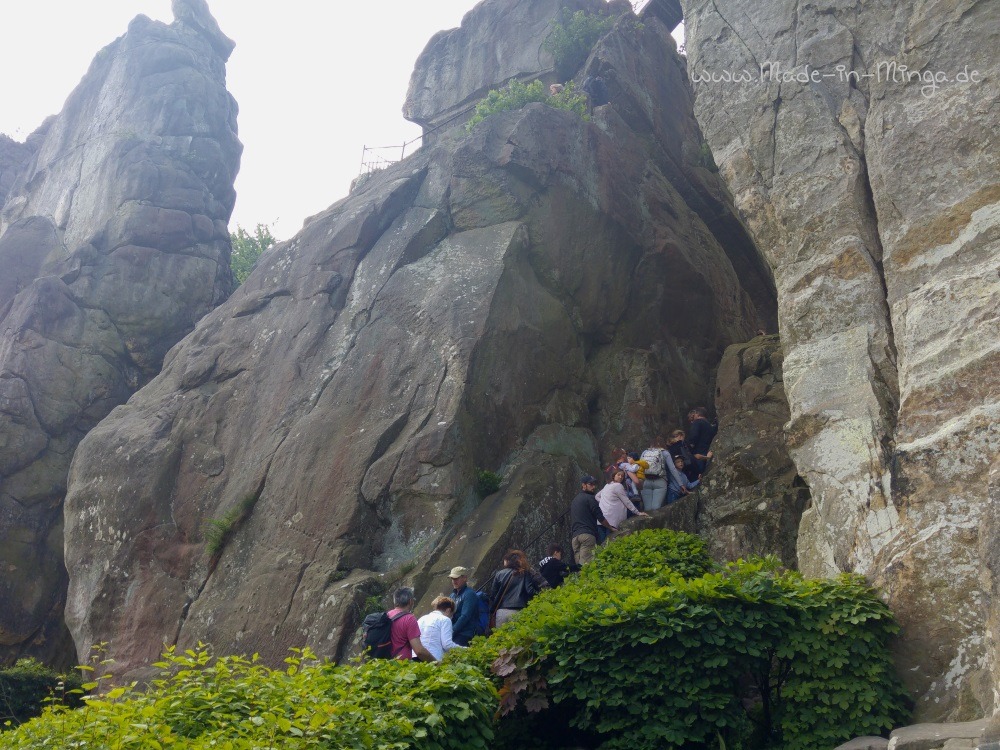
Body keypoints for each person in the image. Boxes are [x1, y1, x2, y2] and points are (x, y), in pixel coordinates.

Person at [489, 550, 549, 628]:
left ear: (508, 561)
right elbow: (530, 590)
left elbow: (493, 595)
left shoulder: (499, 574)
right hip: (518, 610)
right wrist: (540, 596)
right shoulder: (524, 572)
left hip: (502, 611)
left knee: (501, 638)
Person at [570, 475, 615, 565]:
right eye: (590, 484)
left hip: (575, 537)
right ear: (583, 485)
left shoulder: (575, 500)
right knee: (586, 565)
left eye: (594, 484)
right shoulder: (590, 498)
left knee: (579, 566)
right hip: (587, 535)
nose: (593, 487)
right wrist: (611, 528)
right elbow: (600, 517)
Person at [597, 469, 648, 540]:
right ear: (613, 476)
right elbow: (626, 501)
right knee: (611, 542)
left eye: (622, 476)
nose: (620, 477)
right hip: (612, 520)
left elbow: (597, 496)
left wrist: (605, 502)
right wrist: (638, 512)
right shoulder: (618, 486)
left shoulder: (607, 485)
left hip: (602, 520)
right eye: (618, 475)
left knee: (602, 543)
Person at [386, 587, 434, 661]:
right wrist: (436, 663)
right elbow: (419, 651)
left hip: (387, 663)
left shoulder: (387, 615)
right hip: (402, 665)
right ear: (410, 601)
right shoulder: (409, 619)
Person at [417, 596, 463, 661]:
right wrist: (465, 649)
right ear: (448, 610)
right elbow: (447, 645)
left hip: (415, 656)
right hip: (432, 658)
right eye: (452, 614)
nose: (451, 617)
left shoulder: (422, 618)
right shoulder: (445, 620)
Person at [447, 566, 478, 646]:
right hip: (454, 632)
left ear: (465, 578)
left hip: (465, 633)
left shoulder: (469, 594)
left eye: (456, 578)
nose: (454, 581)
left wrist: (452, 631)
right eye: (452, 579)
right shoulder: (452, 595)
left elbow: (465, 616)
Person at [686, 407, 717, 474]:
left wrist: (690, 446)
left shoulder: (697, 422)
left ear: (697, 414)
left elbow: (693, 436)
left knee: (698, 473)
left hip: (699, 452)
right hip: (707, 450)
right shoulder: (709, 424)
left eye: (694, 415)